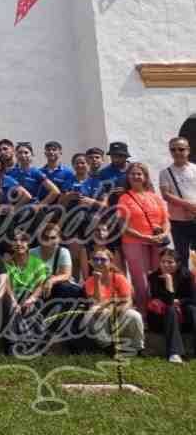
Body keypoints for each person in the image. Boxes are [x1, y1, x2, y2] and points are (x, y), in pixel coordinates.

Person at [117, 162, 171, 312]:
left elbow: (165, 219)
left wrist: (164, 233)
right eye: (133, 174)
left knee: (157, 276)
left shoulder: (154, 197)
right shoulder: (124, 198)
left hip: (157, 242)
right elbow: (123, 226)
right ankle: (143, 313)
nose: (136, 176)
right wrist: (144, 237)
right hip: (134, 242)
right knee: (141, 280)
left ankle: (158, 311)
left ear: (145, 177)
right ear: (128, 177)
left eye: (139, 174)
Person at [82, 248, 144, 359]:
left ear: (110, 262)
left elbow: (128, 301)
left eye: (103, 260)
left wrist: (115, 311)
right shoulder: (90, 281)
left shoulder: (119, 278)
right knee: (93, 312)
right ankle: (108, 347)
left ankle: (137, 348)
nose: (99, 262)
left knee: (135, 315)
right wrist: (97, 282)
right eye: (95, 259)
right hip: (102, 316)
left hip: (118, 313)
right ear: (91, 262)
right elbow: (96, 304)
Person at [3, 229, 50, 355]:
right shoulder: (6, 264)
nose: (19, 244)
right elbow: (7, 287)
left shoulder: (37, 262)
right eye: (15, 241)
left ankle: (38, 345)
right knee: (10, 309)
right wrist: (13, 302)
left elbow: (40, 285)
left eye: (23, 240)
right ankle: (14, 345)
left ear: (28, 243)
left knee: (33, 307)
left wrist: (32, 299)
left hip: (32, 296)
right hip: (13, 297)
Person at [146, 248, 195, 363]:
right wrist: (168, 281)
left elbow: (193, 298)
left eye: (170, 262)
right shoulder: (154, 277)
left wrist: (181, 302)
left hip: (182, 318)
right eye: (163, 261)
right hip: (161, 320)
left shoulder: (186, 275)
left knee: (192, 309)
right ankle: (174, 352)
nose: (166, 265)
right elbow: (168, 301)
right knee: (171, 309)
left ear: (178, 264)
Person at [0, 152, 31, 252]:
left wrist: (13, 208)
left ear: (1, 164)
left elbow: (27, 196)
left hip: (4, 222)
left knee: (7, 252)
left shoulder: (7, 180)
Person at [8, 142, 60, 235]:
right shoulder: (10, 173)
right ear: (16, 155)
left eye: (26, 152)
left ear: (32, 155)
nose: (23, 155)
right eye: (20, 153)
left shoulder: (36, 172)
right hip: (14, 211)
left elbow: (55, 191)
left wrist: (39, 206)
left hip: (32, 212)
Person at [159, 136, 196, 266]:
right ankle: (185, 285)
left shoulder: (194, 169)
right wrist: (188, 205)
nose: (177, 152)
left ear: (188, 150)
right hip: (178, 222)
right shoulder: (165, 173)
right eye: (173, 150)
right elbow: (166, 195)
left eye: (181, 149)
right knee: (181, 256)